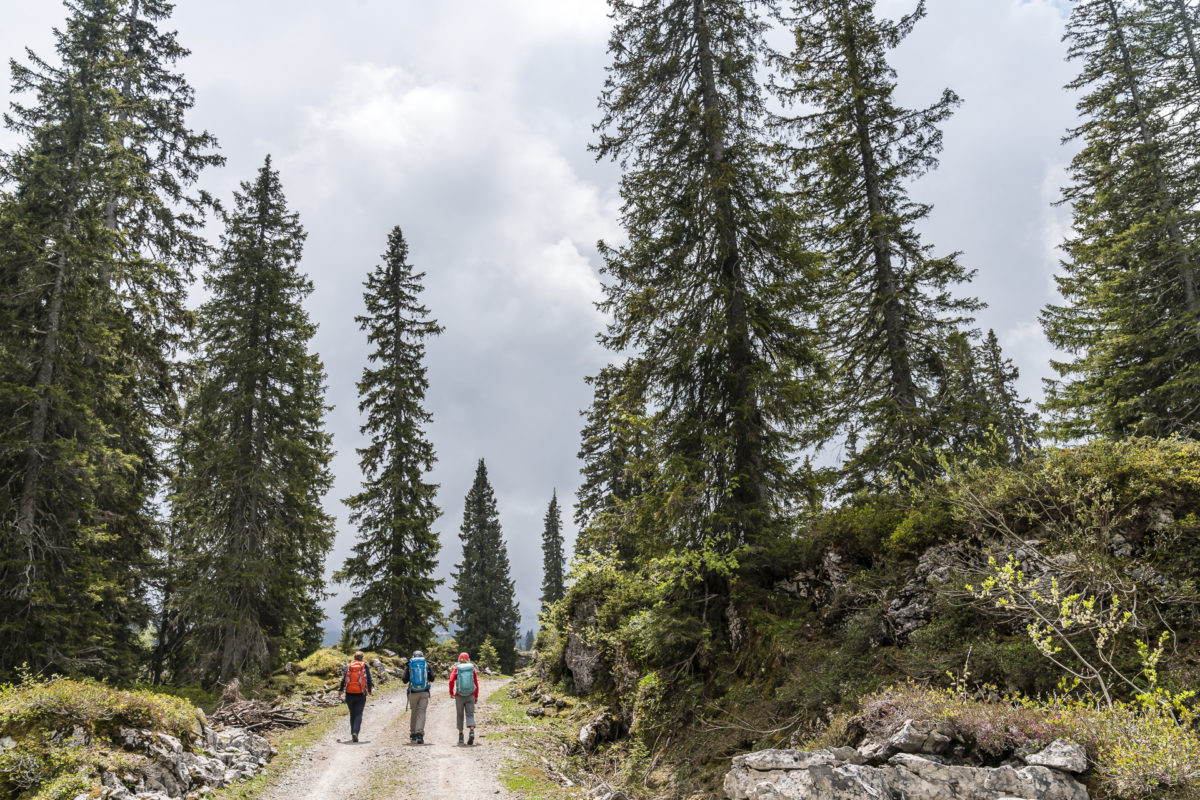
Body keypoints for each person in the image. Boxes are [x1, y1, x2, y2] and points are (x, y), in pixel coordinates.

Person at [336, 651, 374, 742]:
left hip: (349, 693)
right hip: (361, 693)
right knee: (359, 713)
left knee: (352, 713)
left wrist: (341, 689)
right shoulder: (364, 666)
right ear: (362, 658)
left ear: (354, 657)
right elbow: (369, 678)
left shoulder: (349, 666)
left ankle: (353, 731)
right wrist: (369, 690)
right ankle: (355, 732)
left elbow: (344, 678)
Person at [448, 651, 479, 745]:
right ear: (468, 659)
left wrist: (451, 692)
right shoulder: (472, 668)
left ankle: (461, 737)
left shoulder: (457, 668)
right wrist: (476, 696)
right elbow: (476, 683)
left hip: (459, 695)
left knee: (460, 715)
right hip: (471, 694)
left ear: (459, 659)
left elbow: (451, 680)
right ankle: (472, 731)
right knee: (470, 714)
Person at [402, 649, 431, 744]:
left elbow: (404, 680)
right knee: (421, 712)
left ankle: (413, 733)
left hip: (412, 692)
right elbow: (432, 678)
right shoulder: (426, 664)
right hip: (424, 692)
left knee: (414, 712)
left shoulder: (410, 665)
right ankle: (419, 734)